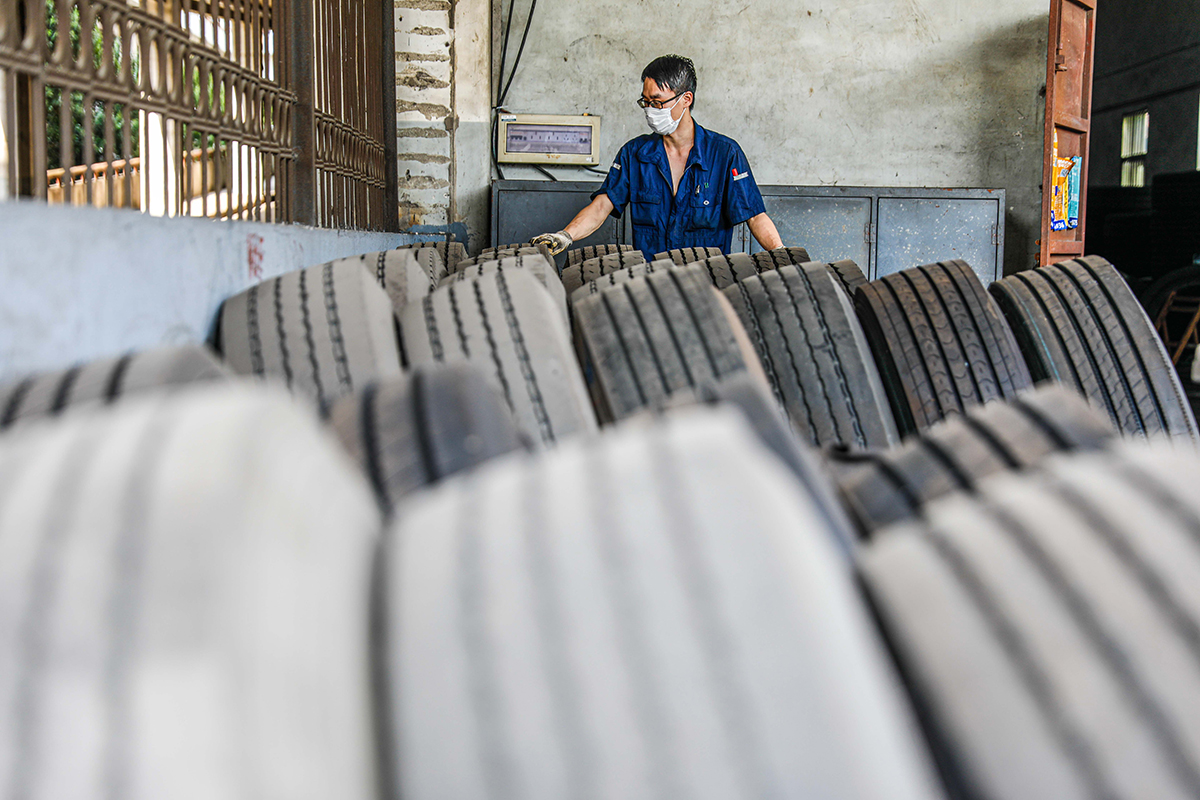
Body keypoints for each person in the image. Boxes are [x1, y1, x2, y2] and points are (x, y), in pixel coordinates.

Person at [532, 55, 783, 260]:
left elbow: (754, 215)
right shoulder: (634, 154)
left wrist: (782, 256)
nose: (651, 110)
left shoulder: (725, 154)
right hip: (650, 286)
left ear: (686, 99)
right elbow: (602, 205)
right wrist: (565, 235)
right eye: (646, 102)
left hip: (708, 286)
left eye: (658, 102)